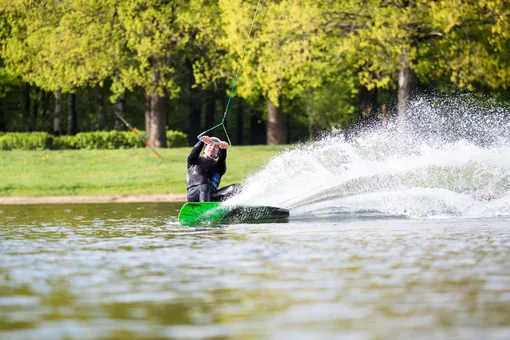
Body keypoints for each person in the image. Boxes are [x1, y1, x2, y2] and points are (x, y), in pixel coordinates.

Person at [186, 135, 242, 202]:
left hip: (212, 195)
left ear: (218, 152)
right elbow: (194, 152)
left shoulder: (219, 167)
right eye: (210, 145)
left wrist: (224, 149)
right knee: (204, 187)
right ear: (205, 148)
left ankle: (241, 209)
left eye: (216, 147)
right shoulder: (194, 160)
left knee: (237, 187)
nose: (212, 147)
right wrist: (202, 141)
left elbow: (222, 159)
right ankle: (205, 210)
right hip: (195, 194)